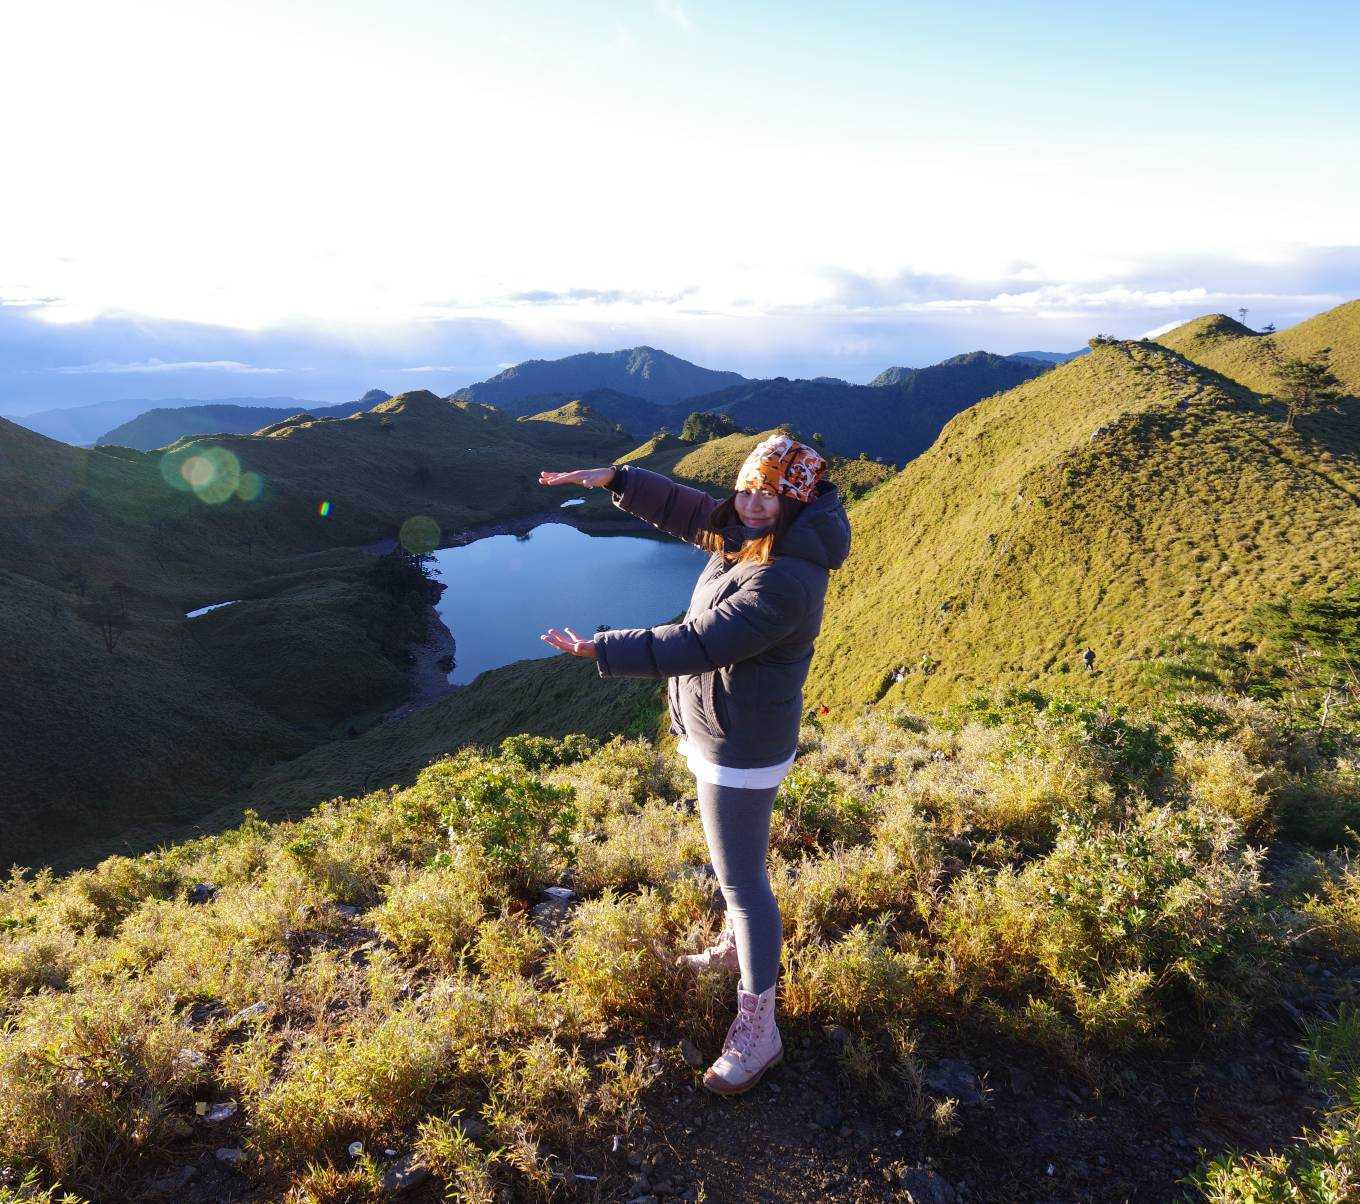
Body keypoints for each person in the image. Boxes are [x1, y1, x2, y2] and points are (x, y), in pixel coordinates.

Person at [537, 434, 852, 1095]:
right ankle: (737, 950)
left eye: (768, 494)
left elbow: (701, 642)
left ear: (794, 501)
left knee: (743, 885)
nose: (750, 503)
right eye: (746, 489)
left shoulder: (788, 578)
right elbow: (691, 511)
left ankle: (758, 1026)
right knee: (737, 873)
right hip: (724, 730)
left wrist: (600, 648)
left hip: (741, 748)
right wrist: (618, 477)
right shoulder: (755, 535)